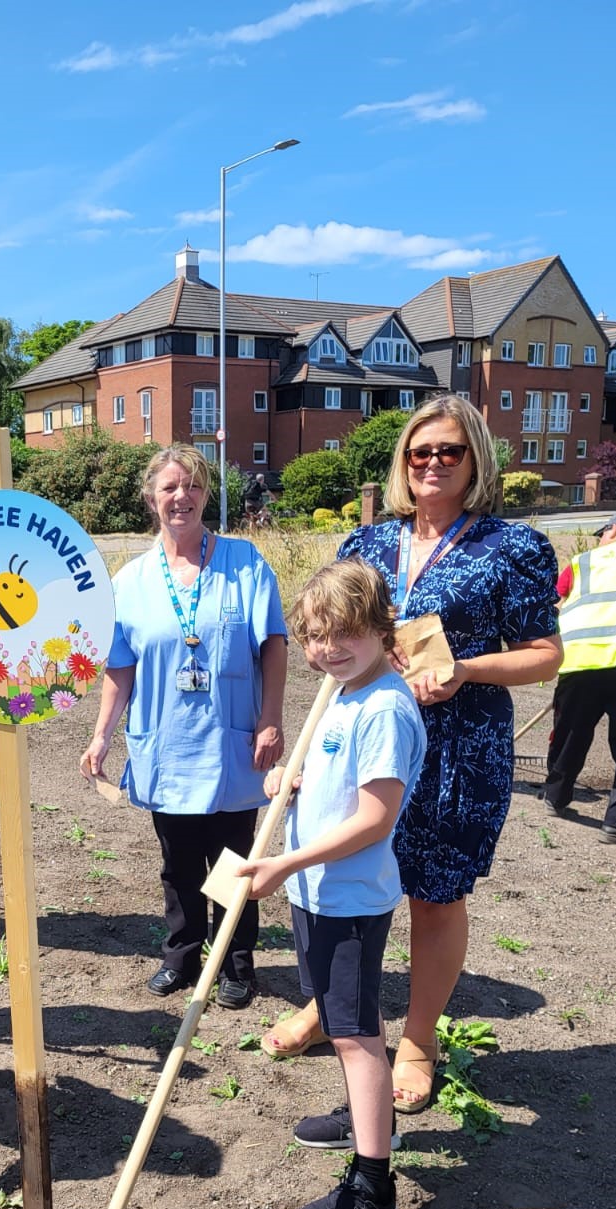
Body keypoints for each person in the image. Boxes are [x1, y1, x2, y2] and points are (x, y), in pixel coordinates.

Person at [259, 396, 562, 1114]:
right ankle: (326, 1007)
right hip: (360, 738)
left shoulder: (511, 549)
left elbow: (547, 656)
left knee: (432, 894)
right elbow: (333, 642)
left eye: (449, 451)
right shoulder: (364, 547)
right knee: (342, 880)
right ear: (402, 462)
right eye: (419, 452)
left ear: (475, 458)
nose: (432, 463)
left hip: (458, 750)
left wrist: (464, 671)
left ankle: (419, 1039)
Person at [238, 558, 426, 1209]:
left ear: (381, 629)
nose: (327, 648)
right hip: (317, 892)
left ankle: (374, 1189)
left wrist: (286, 860)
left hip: (348, 897)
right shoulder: (342, 692)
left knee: (354, 1035)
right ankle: (365, 1114)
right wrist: (296, 776)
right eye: (315, 635)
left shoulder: (384, 706)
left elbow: (376, 817)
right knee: (343, 1017)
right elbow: (336, 776)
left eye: (345, 632)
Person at [80, 444, 288, 1008]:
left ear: (206, 495)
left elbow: (273, 643)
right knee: (177, 862)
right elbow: (119, 667)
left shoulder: (245, 563)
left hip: (231, 739)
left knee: (232, 857)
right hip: (166, 741)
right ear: (152, 497)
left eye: (193, 485)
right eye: (170, 486)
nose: (182, 496)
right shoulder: (130, 580)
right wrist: (101, 732)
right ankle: (183, 953)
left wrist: (271, 719)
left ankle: (235, 960)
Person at [544, 509, 616, 843]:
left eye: (603, 532)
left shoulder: (582, 562)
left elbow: (556, 603)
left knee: (569, 734)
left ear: (613, 529)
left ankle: (555, 797)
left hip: (581, 658)